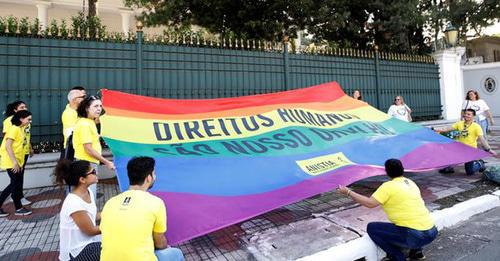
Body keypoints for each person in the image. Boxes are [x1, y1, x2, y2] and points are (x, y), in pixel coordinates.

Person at [337, 159, 437, 261]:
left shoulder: (388, 186)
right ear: (402, 169)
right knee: (407, 224)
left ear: (387, 172)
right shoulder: (411, 183)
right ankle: (416, 253)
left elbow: (369, 203)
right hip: (432, 232)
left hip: (414, 235)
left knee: (372, 228)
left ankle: (397, 257)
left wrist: (348, 192)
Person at [100, 157, 184, 261]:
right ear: (149, 178)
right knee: (176, 253)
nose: (155, 176)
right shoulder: (156, 202)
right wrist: (166, 247)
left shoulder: (110, 202)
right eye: (154, 173)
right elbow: (160, 243)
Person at [54, 159, 101, 261]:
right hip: (75, 252)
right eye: (93, 172)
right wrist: (114, 226)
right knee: (113, 250)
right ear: (82, 180)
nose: (96, 173)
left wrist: (114, 213)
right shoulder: (74, 203)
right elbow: (91, 231)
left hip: (87, 244)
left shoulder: (88, 192)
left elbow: (92, 215)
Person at [72, 96, 114, 199]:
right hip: (86, 164)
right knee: (89, 197)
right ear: (87, 108)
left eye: (100, 106)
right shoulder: (85, 124)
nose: (99, 109)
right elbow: (88, 149)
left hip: (89, 163)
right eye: (95, 106)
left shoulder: (89, 121)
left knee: (89, 195)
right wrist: (107, 162)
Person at [437, 108, 497, 175]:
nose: (466, 115)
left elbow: (482, 139)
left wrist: (489, 149)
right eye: (465, 114)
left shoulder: (476, 127)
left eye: (468, 114)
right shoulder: (459, 123)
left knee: (469, 172)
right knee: (448, 152)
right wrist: (436, 130)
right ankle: (449, 167)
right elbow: (447, 129)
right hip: (459, 148)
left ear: (473, 116)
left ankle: (480, 164)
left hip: (470, 150)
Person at [0, 110, 33, 217]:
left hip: (16, 162)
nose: (30, 121)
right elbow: (8, 146)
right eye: (28, 119)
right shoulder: (14, 129)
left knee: (14, 184)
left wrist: (20, 163)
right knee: (15, 184)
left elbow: (20, 147)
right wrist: (15, 162)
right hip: (11, 162)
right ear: (21, 119)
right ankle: (18, 208)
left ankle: (18, 207)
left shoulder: (20, 129)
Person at [61, 86, 87, 160]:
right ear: (74, 99)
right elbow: (71, 134)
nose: (84, 99)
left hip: (77, 148)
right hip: (72, 149)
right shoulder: (69, 113)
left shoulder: (78, 112)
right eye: (82, 97)